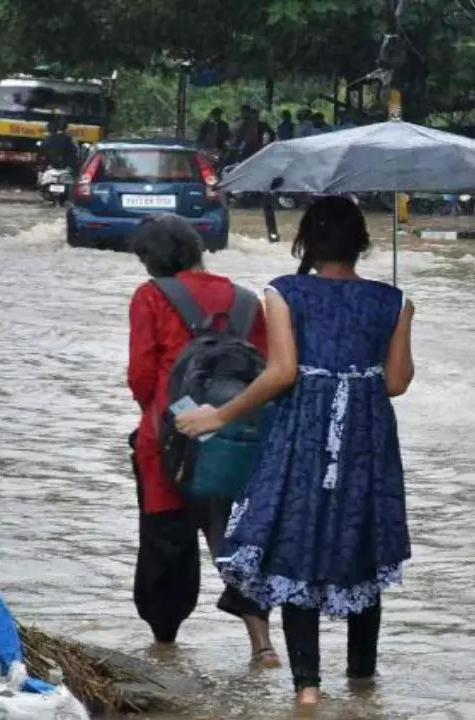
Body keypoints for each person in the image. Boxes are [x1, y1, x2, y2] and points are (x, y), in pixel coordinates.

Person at [177, 197, 414, 705]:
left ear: (305, 242)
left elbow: (282, 372)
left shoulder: (284, 292)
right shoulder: (394, 301)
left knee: (295, 545)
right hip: (366, 441)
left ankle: (307, 689)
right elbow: (396, 383)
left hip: (304, 434)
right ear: (363, 245)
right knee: (362, 548)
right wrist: (387, 321)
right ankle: (362, 685)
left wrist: (218, 415)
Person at [126, 215, 280, 668]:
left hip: (167, 440)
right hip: (235, 441)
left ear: (152, 258)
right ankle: (263, 646)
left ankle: (165, 650)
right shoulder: (248, 302)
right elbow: (267, 371)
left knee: (166, 544)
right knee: (233, 540)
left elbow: (139, 375)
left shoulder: (151, 297)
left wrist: (161, 416)